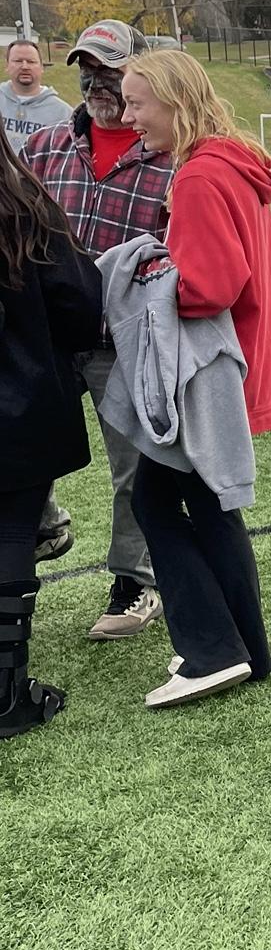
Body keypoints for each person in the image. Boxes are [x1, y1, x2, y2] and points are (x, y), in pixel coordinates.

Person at [113, 51, 271, 708]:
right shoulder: (229, 162)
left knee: (154, 503)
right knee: (213, 508)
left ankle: (212, 651)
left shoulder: (198, 174)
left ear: (174, 100)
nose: (129, 117)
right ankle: (244, 649)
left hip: (209, 372)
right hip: (239, 362)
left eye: (138, 103)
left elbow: (211, 285)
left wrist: (151, 278)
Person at [22, 20, 168, 639]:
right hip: (51, 333)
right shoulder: (47, 145)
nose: (95, 81)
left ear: (137, 69)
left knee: (132, 464)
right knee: (18, 441)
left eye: (109, 69)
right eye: (86, 66)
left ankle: (134, 580)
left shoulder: (168, 150)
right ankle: (42, 522)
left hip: (122, 337)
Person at [0, 141, 103, 737]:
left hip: (19, 396)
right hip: (20, 399)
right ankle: (5, 692)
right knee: (11, 533)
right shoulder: (23, 203)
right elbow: (79, 301)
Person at [2, 39, 72, 154]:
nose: (25, 66)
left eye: (31, 61)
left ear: (42, 67)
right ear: (7, 66)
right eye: (18, 61)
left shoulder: (63, 113)